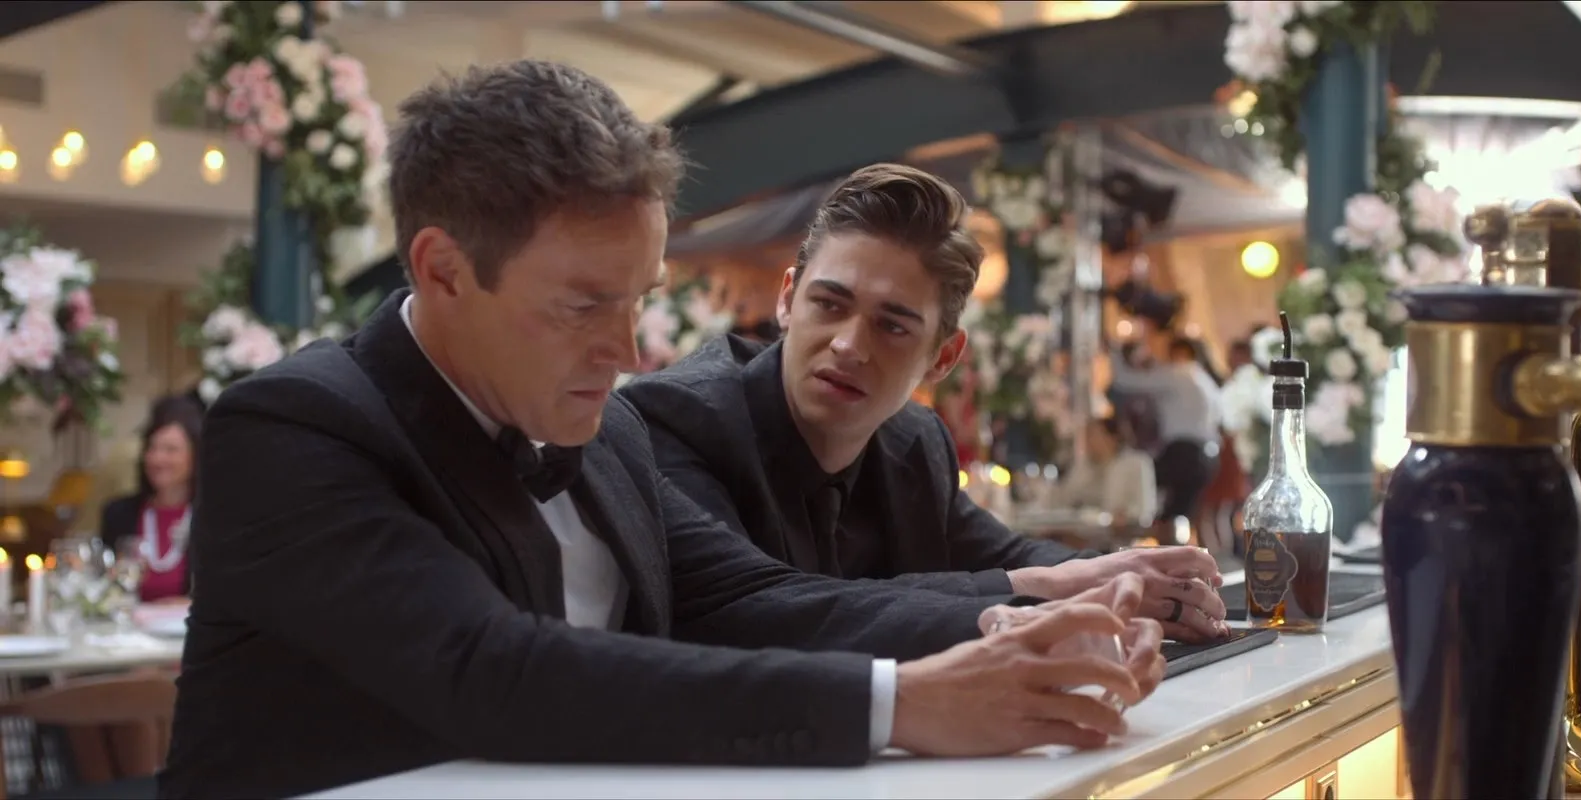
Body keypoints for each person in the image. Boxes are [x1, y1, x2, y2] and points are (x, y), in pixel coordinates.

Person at [163, 61, 1165, 800]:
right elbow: (494, 671)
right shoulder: (292, 426)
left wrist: (1018, 624)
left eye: (639, 298)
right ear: (443, 270)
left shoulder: (608, 436)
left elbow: (755, 600)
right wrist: (905, 704)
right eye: (583, 305)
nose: (628, 349)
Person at [626, 164, 1228, 643]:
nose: (848, 344)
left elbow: (1006, 554)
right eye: (829, 304)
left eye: (892, 326)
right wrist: (1048, 585)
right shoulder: (677, 420)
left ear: (943, 357)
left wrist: (1129, 575)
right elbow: (764, 609)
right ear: (788, 299)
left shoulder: (912, 440)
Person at [1109, 336, 1224, 527]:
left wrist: (1114, 352)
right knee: (1179, 518)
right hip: (1208, 457)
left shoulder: (1178, 373)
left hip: (1183, 453)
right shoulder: (1206, 380)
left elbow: (1125, 381)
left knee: (1141, 484)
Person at [100, 395, 202, 603]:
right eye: (152, 448)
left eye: (170, 450)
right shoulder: (119, 514)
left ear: (195, 456)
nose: (157, 458)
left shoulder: (214, 518)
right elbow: (101, 587)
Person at [1055, 418, 1159, 527]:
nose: (1090, 442)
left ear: (1113, 438)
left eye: (1095, 435)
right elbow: (1068, 498)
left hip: (1129, 532)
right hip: (1091, 532)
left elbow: (1145, 509)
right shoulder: (1088, 467)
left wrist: (1125, 515)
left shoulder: (1137, 463)